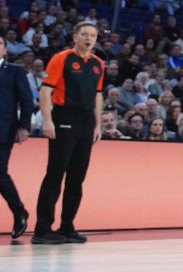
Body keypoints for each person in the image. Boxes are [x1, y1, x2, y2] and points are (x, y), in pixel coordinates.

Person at [33, 22, 104, 244]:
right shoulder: (61, 58)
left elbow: (98, 95)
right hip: (64, 117)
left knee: (77, 176)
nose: (89, 38)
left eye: (92, 35)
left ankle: (67, 227)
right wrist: (47, 120)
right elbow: (46, 90)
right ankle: (42, 229)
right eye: (84, 34)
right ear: (75, 37)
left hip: (86, 121)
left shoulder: (98, 63)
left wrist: (98, 125)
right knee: (55, 174)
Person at [0, 35, 32, 239]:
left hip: (3, 130)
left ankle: (19, 211)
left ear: (5, 50)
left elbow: (26, 100)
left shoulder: (14, 71)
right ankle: (20, 212)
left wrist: (24, 126)